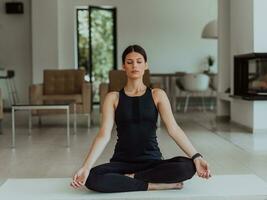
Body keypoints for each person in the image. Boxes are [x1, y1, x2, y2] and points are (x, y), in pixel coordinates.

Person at [71, 44, 211, 193]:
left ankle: (132, 178)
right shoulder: (113, 97)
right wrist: (86, 167)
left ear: (146, 65)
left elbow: (174, 129)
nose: (134, 66)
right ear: (123, 66)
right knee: (92, 177)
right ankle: (152, 185)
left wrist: (196, 157)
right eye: (129, 62)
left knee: (187, 167)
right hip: (122, 163)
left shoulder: (157, 95)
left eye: (139, 61)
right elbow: (103, 135)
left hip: (152, 162)